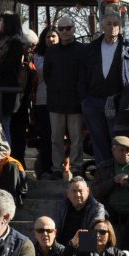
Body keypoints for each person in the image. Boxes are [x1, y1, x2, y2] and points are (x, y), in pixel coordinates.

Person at [80, 11, 129, 165]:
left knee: (118, 141)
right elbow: (81, 74)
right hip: (93, 102)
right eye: (109, 24)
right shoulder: (91, 48)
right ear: (102, 26)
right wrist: (84, 100)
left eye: (116, 24)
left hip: (118, 102)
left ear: (120, 27)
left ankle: (119, 174)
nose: (112, 27)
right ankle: (103, 174)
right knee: (98, 141)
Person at [42, 15, 87, 180]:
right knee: (56, 139)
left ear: (74, 29)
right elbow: (47, 75)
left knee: (76, 138)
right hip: (56, 102)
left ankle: (76, 168)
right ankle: (57, 168)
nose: (65, 31)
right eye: (61, 29)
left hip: (76, 102)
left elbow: (85, 75)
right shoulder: (51, 51)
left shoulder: (83, 50)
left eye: (68, 28)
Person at [28, 26, 58, 177]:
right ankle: (46, 168)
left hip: (62, 101)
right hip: (43, 100)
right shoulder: (38, 56)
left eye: (54, 36)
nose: (51, 39)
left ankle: (60, 167)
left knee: (59, 137)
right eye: (48, 37)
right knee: (46, 136)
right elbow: (44, 73)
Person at [51, 176, 108, 244]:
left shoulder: (97, 208)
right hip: (62, 248)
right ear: (68, 193)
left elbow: (94, 235)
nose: (77, 195)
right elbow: (54, 230)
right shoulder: (61, 207)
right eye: (74, 191)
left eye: (80, 191)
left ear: (88, 191)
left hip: (86, 247)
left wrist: (73, 248)